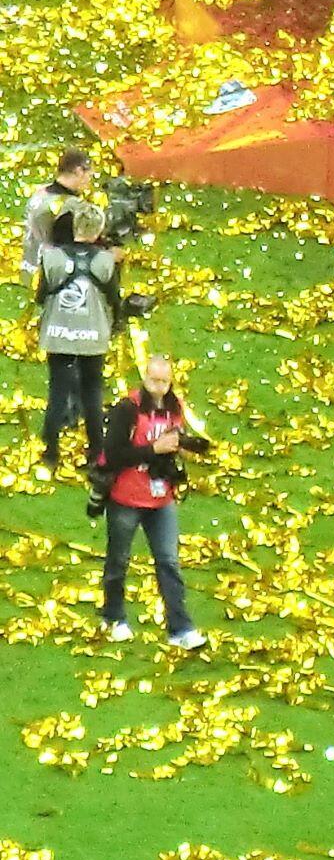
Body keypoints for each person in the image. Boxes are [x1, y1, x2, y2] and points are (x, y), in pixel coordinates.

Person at [93, 355, 210, 650]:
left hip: (161, 498)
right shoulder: (126, 409)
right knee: (118, 560)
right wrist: (152, 449)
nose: (158, 387)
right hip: (126, 497)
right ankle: (113, 616)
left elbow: (173, 443)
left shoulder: (175, 408)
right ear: (144, 378)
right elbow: (114, 453)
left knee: (169, 562)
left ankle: (180, 628)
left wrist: (184, 448)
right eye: (153, 380)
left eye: (164, 381)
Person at [37, 201, 117, 471]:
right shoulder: (106, 260)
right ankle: (96, 451)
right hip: (93, 333)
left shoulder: (52, 257)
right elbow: (114, 298)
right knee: (92, 392)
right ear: (98, 229)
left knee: (57, 389)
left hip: (59, 330)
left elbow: (42, 294)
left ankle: (50, 450)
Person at [22, 148, 94, 287]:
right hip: (52, 277)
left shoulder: (39, 194)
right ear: (79, 171)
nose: (88, 182)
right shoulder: (70, 206)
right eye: (89, 176)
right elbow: (70, 247)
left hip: (29, 268)